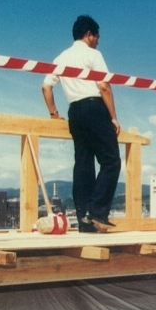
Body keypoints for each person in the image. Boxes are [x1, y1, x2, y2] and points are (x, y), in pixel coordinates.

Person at [42, 15, 121, 233]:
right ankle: (96, 212)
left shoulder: (62, 57)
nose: (98, 41)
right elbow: (104, 86)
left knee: (83, 164)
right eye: (97, 37)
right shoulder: (93, 54)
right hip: (94, 107)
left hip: (74, 111)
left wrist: (54, 114)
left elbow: (46, 87)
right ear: (89, 35)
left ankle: (84, 221)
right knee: (111, 160)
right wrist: (113, 117)